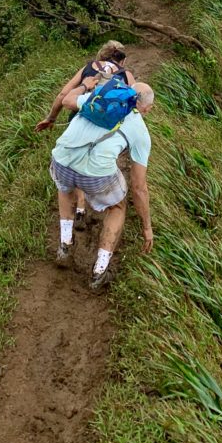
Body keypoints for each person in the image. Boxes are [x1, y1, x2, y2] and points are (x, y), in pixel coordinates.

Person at [47, 82, 155, 289]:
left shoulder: (97, 99)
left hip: (61, 158)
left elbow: (67, 100)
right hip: (95, 174)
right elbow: (139, 188)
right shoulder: (140, 131)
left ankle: (65, 245)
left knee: (65, 187)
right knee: (117, 206)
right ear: (146, 108)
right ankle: (99, 271)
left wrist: (84, 86)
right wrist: (147, 228)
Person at [36, 42, 136, 230]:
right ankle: (87, 205)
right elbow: (132, 103)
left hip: (79, 119)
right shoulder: (126, 75)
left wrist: (51, 118)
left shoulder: (89, 67)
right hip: (106, 127)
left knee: (75, 160)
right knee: (90, 162)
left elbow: (63, 95)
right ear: (122, 59)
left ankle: (80, 208)